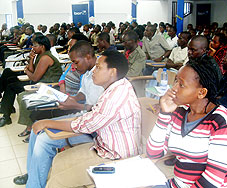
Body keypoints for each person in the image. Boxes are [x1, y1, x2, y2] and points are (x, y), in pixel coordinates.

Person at [13, 49, 141, 188]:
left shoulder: (115, 96)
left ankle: (36, 183)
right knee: (50, 146)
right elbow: (91, 117)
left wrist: (47, 122)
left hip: (113, 154)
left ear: (112, 72)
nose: (93, 71)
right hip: (101, 138)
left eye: (98, 68)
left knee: (56, 175)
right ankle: (34, 179)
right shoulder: (117, 87)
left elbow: (86, 125)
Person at [147, 59, 227, 188]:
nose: (174, 88)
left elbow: (212, 181)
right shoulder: (180, 111)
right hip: (177, 184)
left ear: (202, 92)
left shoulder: (221, 121)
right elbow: (153, 153)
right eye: (176, 81)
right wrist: (164, 114)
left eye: (181, 85)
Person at [0, 35, 62, 127]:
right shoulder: (40, 55)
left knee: (11, 86)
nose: (32, 47)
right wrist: (31, 59)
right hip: (40, 83)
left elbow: (34, 77)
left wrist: (26, 71)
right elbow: (32, 71)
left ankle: (6, 115)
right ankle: (7, 109)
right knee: (11, 80)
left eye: (35, 45)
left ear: (43, 46)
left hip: (47, 85)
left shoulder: (46, 58)